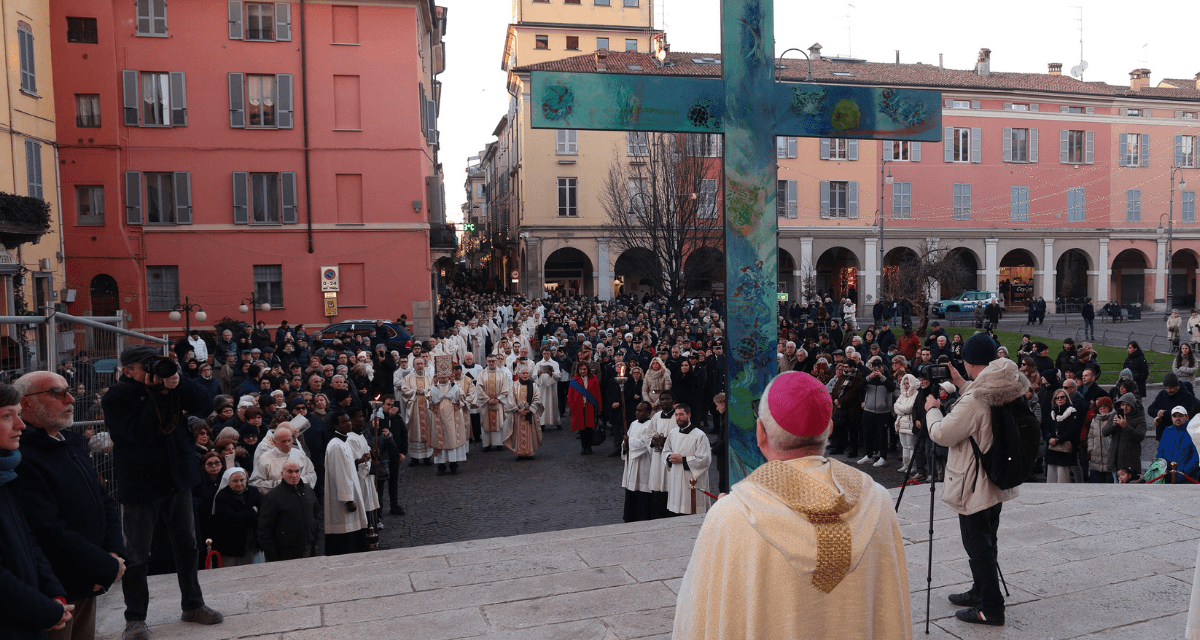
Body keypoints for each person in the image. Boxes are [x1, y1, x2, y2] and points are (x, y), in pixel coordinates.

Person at [672, 371, 910, 638]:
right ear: (829, 429)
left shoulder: (732, 514)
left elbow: (697, 618)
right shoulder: (877, 500)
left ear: (760, 433)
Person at [102, 345, 222, 639]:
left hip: (177, 479)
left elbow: (206, 404)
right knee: (137, 554)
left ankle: (193, 605)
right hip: (141, 485)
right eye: (145, 366)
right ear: (127, 370)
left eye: (154, 363)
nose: (152, 371)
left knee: (187, 546)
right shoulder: (116, 398)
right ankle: (135, 618)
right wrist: (157, 395)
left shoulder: (170, 385)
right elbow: (138, 434)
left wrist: (179, 383)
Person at [926, 332, 1030, 627]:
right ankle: (981, 590)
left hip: (975, 482)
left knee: (977, 545)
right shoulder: (1006, 383)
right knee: (987, 539)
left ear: (969, 362)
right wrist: (963, 384)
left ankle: (991, 608)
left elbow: (943, 434)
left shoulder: (975, 399)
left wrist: (932, 409)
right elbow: (984, 403)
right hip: (997, 475)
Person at [12, 372, 125, 640]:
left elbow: (104, 499)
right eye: (57, 393)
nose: (71, 399)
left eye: (69, 391)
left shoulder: (70, 444)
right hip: (58, 590)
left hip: (89, 579)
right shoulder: (22, 456)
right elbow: (47, 529)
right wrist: (104, 566)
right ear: (26, 403)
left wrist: (113, 553)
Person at [0, 382, 77, 639]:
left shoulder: (7, 474)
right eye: (7, 416)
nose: (20, 425)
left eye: (18, 415)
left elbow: (27, 540)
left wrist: (53, 593)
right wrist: (42, 609)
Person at [323, 410, 368, 555]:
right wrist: (348, 500)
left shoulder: (343, 441)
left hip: (350, 492)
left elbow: (347, 465)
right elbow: (339, 474)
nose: (348, 423)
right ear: (335, 425)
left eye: (349, 420)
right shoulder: (336, 445)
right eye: (344, 421)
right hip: (343, 499)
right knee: (346, 532)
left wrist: (358, 461)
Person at [257, 460, 320, 561]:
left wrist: (315, 540)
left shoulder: (308, 491)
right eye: (290, 472)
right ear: (282, 474)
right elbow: (264, 529)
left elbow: (316, 516)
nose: (294, 475)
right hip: (284, 553)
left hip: (308, 547)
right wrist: (272, 555)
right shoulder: (272, 497)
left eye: (297, 471)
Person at [663, 403, 711, 516]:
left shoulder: (700, 435)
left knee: (691, 510)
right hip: (676, 476)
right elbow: (665, 450)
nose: (678, 418)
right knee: (676, 512)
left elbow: (705, 459)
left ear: (688, 415)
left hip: (691, 479)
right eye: (676, 415)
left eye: (681, 414)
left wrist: (683, 460)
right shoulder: (673, 433)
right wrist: (670, 457)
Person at [210, 468, 260, 567]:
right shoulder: (222, 496)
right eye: (235, 481)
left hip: (251, 540)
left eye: (242, 480)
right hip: (230, 544)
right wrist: (252, 511)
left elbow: (260, 514)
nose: (239, 483)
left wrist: (243, 515)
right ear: (228, 482)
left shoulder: (253, 491)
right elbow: (231, 518)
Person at [621, 401, 654, 522]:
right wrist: (625, 445)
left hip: (644, 462)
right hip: (632, 463)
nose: (637, 413)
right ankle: (630, 516)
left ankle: (642, 517)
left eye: (640, 411)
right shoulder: (633, 424)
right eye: (636, 410)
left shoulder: (651, 425)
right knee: (631, 491)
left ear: (648, 412)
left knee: (642, 491)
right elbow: (626, 440)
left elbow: (645, 445)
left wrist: (629, 441)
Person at [400, 356, 434, 466]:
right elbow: (404, 390)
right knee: (414, 432)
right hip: (414, 410)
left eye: (421, 364)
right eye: (417, 364)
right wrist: (415, 392)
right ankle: (414, 458)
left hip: (427, 409)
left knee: (427, 431)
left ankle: (427, 457)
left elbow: (434, 390)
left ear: (424, 365)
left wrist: (424, 391)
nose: (419, 366)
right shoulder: (408, 378)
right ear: (414, 366)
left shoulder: (430, 377)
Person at [504, 366, 543, 459]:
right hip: (518, 415)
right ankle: (520, 453)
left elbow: (538, 398)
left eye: (527, 373)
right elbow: (510, 399)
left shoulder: (533, 385)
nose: (525, 375)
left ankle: (529, 452)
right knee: (518, 433)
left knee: (531, 433)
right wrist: (517, 409)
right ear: (519, 375)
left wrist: (531, 409)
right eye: (523, 373)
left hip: (530, 414)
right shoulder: (514, 385)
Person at [568, 361, 601, 455]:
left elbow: (598, 394)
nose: (583, 371)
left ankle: (589, 446)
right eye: (581, 369)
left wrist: (599, 408)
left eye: (584, 369)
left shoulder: (593, 379)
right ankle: (583, 446)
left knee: (589, 428)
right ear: (578, 370)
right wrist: (571, 406)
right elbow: (570, 395)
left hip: (589, 406)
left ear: (588, 370)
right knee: (581, 429)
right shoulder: (574, 380)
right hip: (578, 407)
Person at [1157, 407, 1200, 479]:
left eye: (1180, 415)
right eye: (1174, 416)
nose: (1177, 418)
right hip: (1167, 475)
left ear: (1187, 417)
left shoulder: (1194, 432)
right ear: (1171, 418)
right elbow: (1160, 451)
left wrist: (1184, 472)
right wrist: (1162, 468)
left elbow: (1196, 456)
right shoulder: (1167, 431)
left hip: (1187, 477)